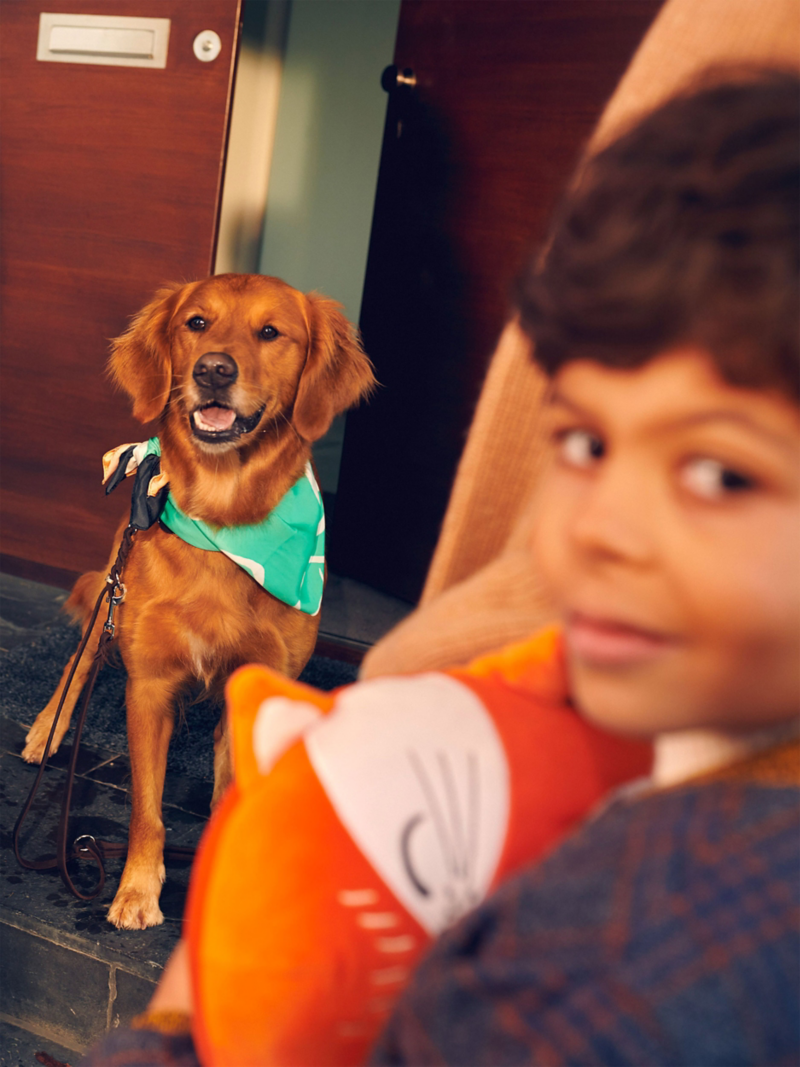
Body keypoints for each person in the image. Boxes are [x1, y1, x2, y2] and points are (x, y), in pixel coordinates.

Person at [81, 69, 799, 1066]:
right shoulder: (551, 717)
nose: (592, 530)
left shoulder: (650, 960)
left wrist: (193, 1010)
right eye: (582, 445)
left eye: (718, 472)